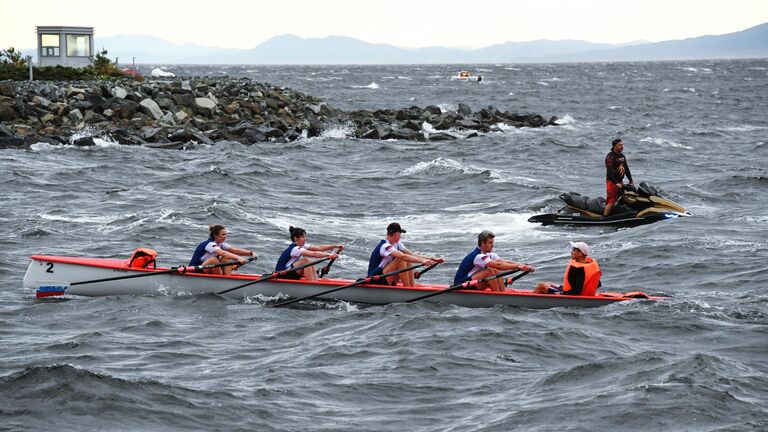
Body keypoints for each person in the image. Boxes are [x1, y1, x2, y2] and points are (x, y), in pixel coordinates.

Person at [453, 230, 535, 292]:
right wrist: (518, 267)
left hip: (474, 283)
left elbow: (505, 262)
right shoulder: (478, 256)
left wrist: (523, 266)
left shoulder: (490, 255)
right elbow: (499, 265)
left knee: (496, 271)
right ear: (482, 243)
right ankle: (499, 296)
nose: (492, 245)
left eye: (492, 242)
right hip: (461, 285)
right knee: (489, 271)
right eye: (490, 243)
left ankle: (502, 294)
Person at [367, 222, 444, 287]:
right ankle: (408, 290)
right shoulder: (385, 246)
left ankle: (412, 286)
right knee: (401, 259)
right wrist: (423, 261)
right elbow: (402, 256)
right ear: (396, 234)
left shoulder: (397, 244)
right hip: (376, 279)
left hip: (387, 277)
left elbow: (412, 254)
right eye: (400, 234)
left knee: (407, 259)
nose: (400, 236)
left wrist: (431, 259)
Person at [274, 226, 343, 281]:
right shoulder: (295, 249)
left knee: (309, 262)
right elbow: (314, 254)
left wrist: (335, 246)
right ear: (295, 238)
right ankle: (313, 285)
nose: (305, 239)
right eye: (303, 237)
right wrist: (329, 255)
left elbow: (319, 248)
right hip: (280, 275)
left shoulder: (301, 246)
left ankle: (315, 279)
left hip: (289, 273)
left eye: (305, 236)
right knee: (305, 261)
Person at [533, 241, 601, 296]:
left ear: (580, 253)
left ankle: (531, 300)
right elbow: (598, 284)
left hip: (570, 294)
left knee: (541, 286)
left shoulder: (578, 268)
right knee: (547, 283)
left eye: (574, 250)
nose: (571, 252)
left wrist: (562, 293)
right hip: (576, 293)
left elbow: (577, 290)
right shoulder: (589, 265)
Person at [189, 224, 257, 275]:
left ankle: (227, 279)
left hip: (206, 268)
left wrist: (251, 253)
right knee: (214, 260)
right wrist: (239, 258)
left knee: (227, 259)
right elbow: (223, 253)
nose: (225, 237)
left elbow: (235, 250)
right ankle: (220, 281)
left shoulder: (221, 244)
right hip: (196, 270)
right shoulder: (210, 244)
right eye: (223, 235)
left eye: (226, 234)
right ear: (215, 235)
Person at [604, 138, 635, 216]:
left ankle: (618, 213)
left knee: (622, 197)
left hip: (620, 181)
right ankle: (604, 217)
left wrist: (631, 180)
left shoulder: (622, 156)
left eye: (622, 145)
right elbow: (610, 171)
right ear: (614, 146)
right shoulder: (610, 156)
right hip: (612, 181)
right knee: (611, 199)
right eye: (619, 145)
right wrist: (616, 183)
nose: (622, 146)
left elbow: (626, 169)